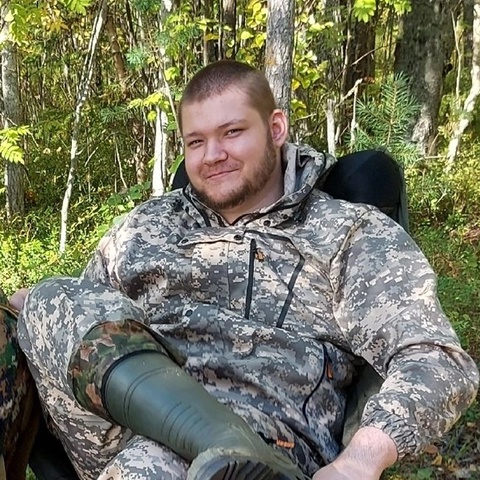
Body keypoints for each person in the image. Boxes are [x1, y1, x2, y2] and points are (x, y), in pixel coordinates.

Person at [14, 60, 478, 480]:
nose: (212, 154)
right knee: (49, 298)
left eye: (232, 132)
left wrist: (361, 458)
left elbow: (437, 360)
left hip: (269, 444)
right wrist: (34, 312)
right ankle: (213, 440)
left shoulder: (346, 233)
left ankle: (226, 449)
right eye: (196, 142)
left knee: (150, 465)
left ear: (276, 128)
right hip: (119, 431)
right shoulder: (145, 228)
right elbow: (91, 332)